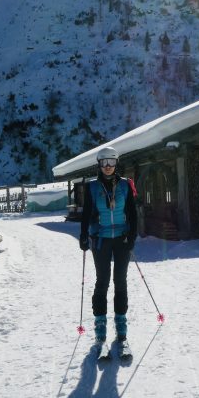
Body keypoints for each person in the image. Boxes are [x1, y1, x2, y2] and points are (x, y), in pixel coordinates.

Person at [79, 146, 138, 344]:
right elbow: (86, 212)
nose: (107, 166)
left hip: (121, 238)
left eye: (111, 162)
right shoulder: (92, 187)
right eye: (104, 162)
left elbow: (132, 213)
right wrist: (83, 235)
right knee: (102, 281)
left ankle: (121, 324)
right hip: (100, 239)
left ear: (116, 163)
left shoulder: (125, 185)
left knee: (120, 280)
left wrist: (132, 236)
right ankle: (100, 325)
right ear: (99, 164)